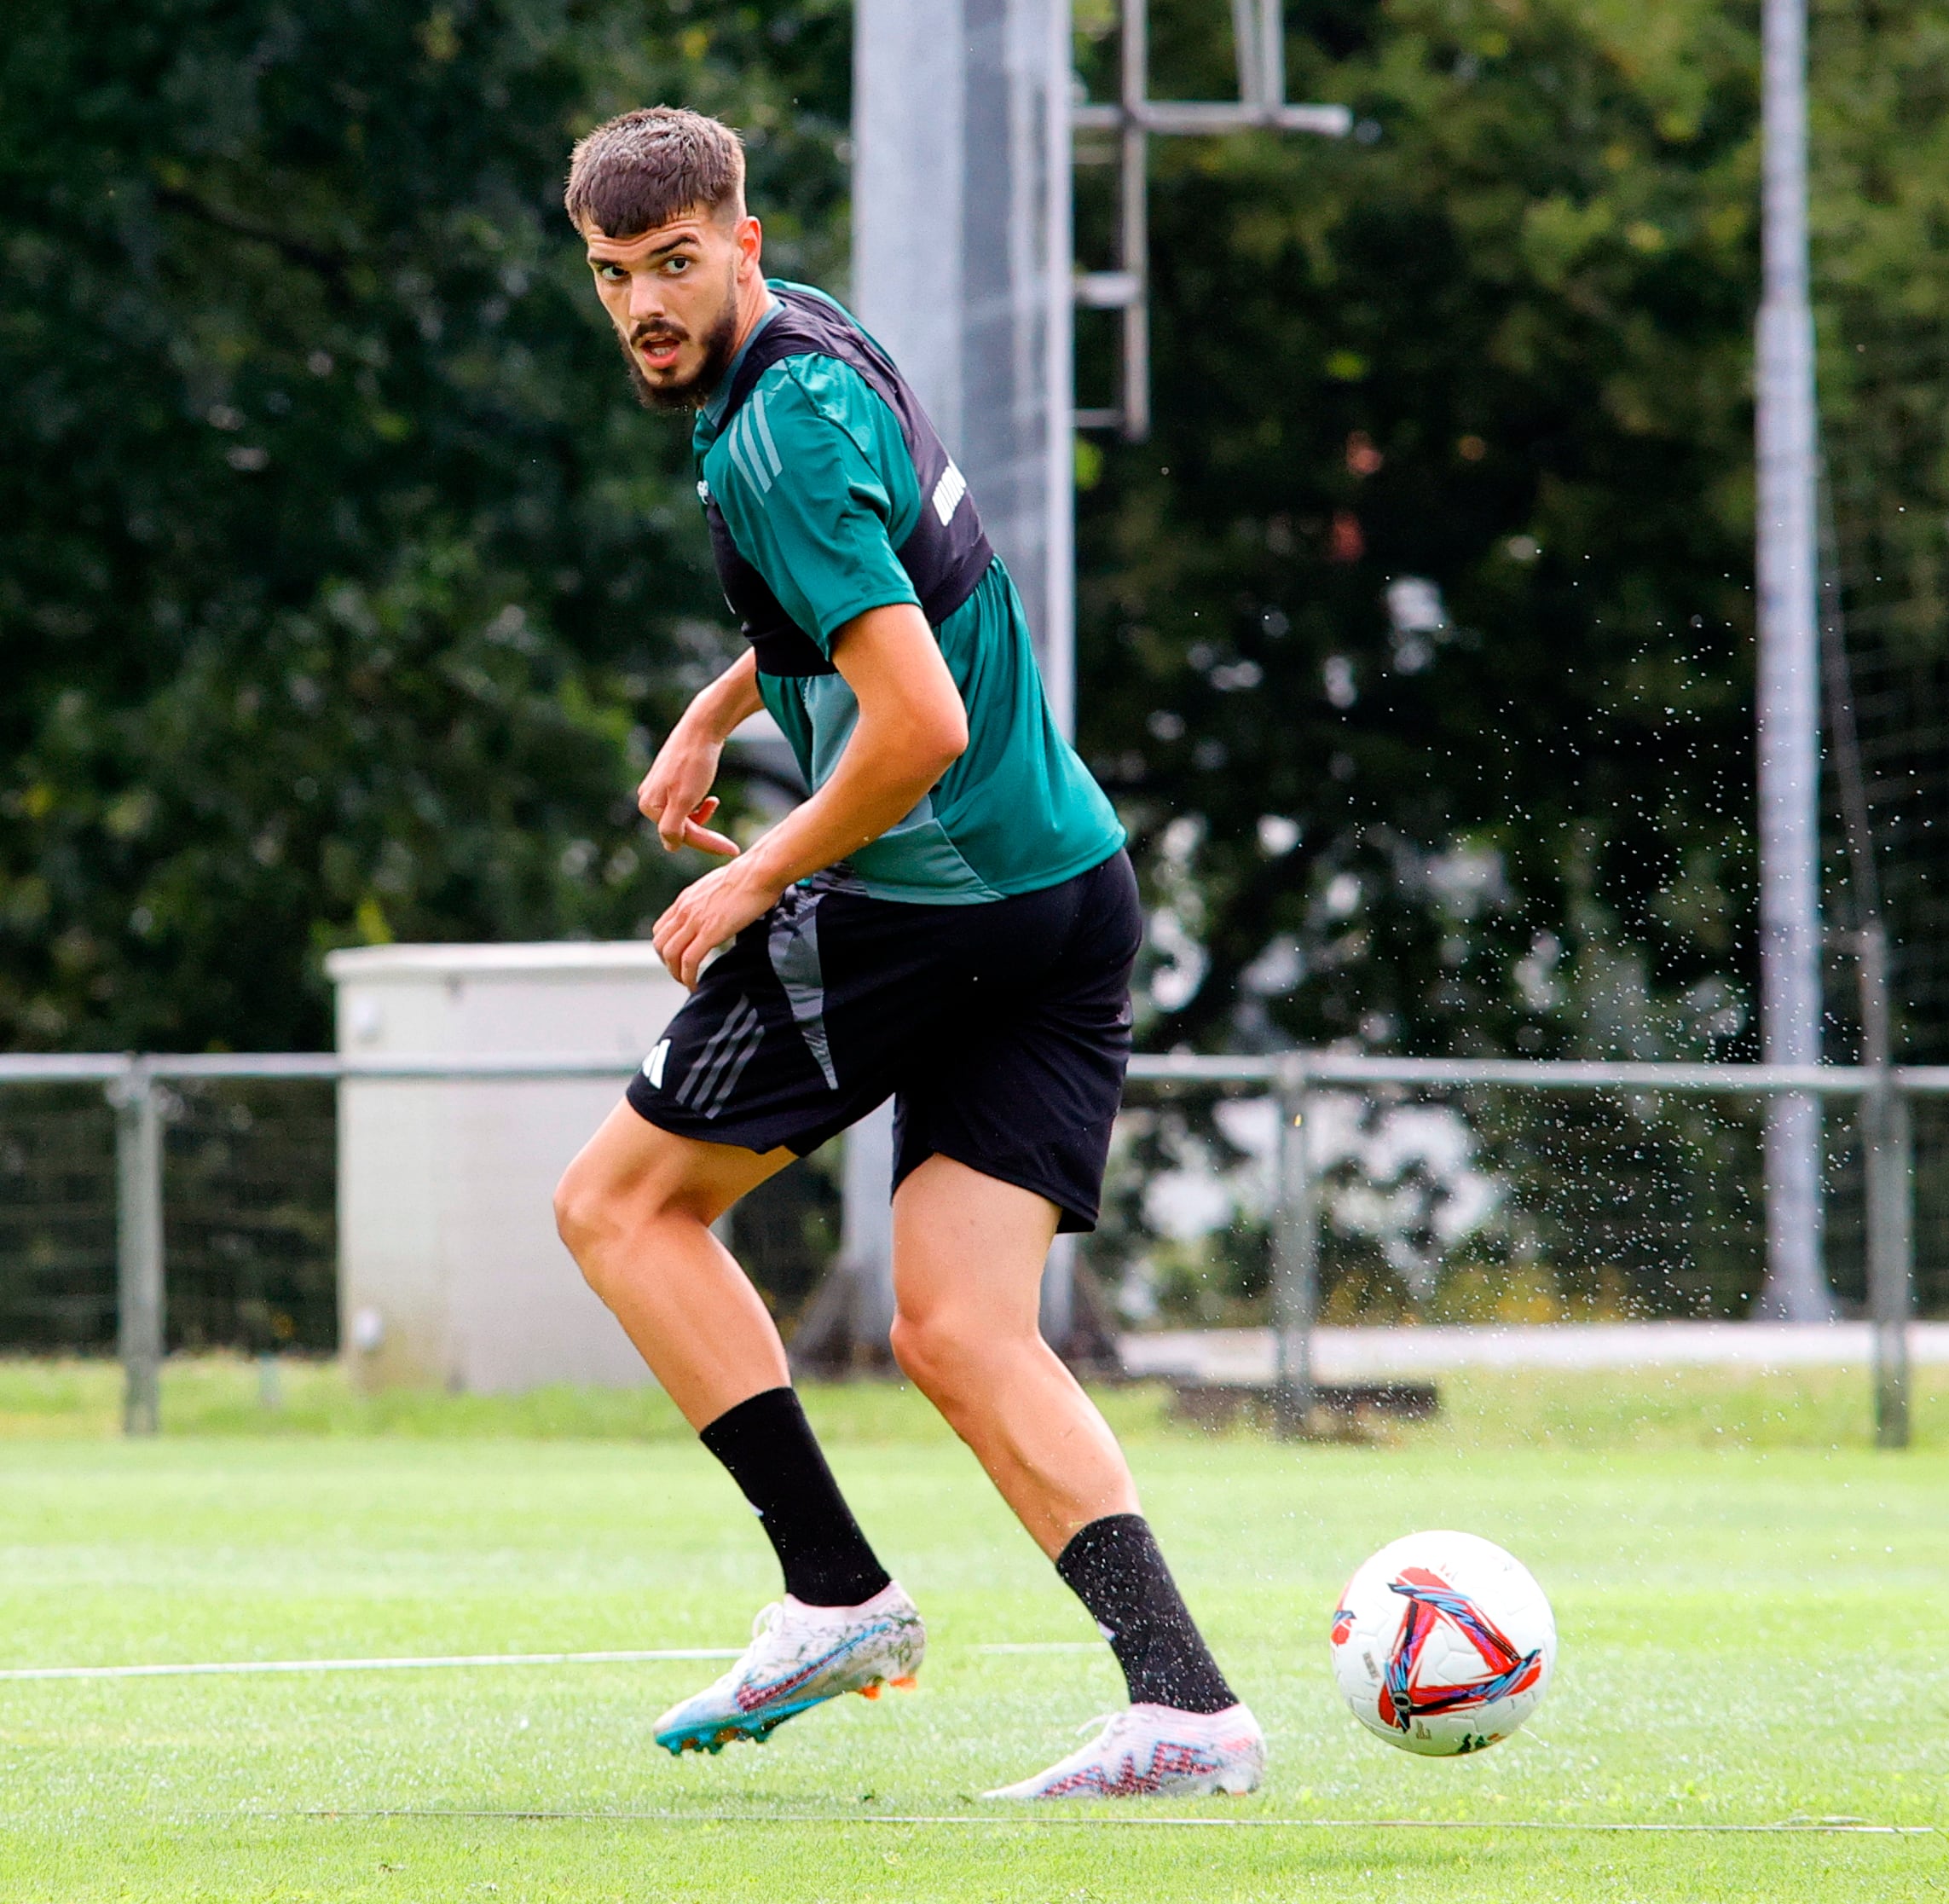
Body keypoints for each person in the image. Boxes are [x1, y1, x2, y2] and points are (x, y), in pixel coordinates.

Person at [547, 107, 1260, 1799]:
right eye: (611, 276)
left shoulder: (766, 440)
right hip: (1070, 890)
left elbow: (916, 723)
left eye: (671, 265)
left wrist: (753, 877)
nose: (644, 303)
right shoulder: (820, 340)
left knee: (620, 1208)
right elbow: (895, 583)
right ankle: (1187, 1706)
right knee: (957, 1324)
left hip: (929, 904)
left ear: (742, 238)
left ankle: (833, 1592)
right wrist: (721, 709)